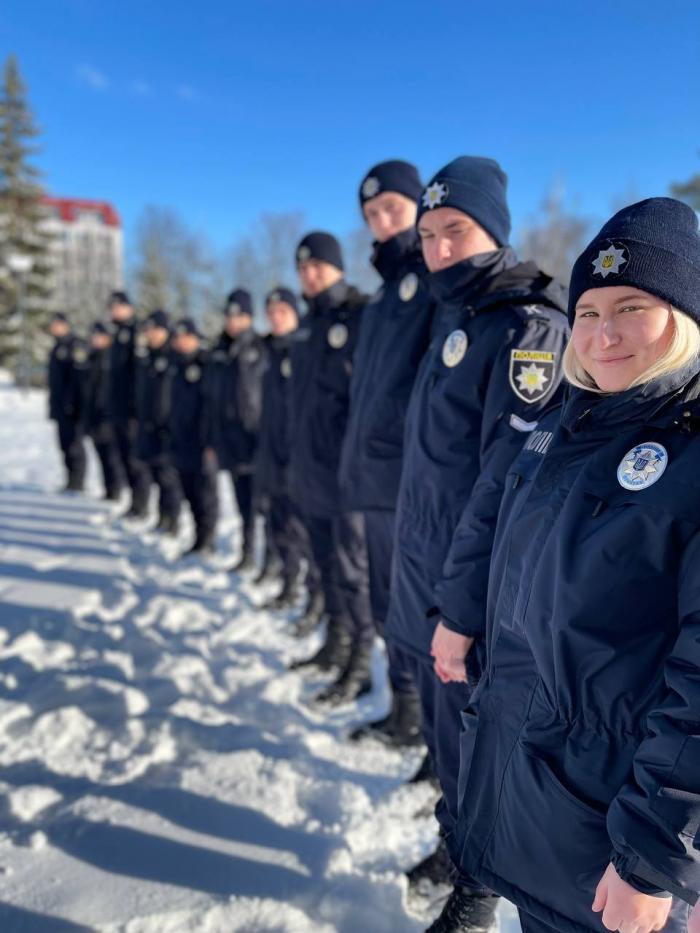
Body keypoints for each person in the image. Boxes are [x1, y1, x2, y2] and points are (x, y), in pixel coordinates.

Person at [451, 198, 700, 933]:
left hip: (621, 839)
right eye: (587, 312)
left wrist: (653, 856)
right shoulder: (564, 431)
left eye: (632, 307)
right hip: (538, 800)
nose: (602, 334)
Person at [383, 156, 569, 931]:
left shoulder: (527, 328)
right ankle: (455, 847)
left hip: (473, 591)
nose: (437, 248)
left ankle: (477, 889)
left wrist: (460, 609)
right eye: (427, 235)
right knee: (443, 732)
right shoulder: (457, 317)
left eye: (454, 230)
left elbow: (506, 489)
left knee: (477, 746)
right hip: (426, 569)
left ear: (494, 229)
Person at [338, 159, 435, 747]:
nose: (381, 222)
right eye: (372, 214)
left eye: (392, 209)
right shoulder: (379, 301)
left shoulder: (432, 282)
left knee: (416, 609)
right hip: (372, 478)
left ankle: (428, 723)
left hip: (409, 481)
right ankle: (404, 709)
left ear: (420, 207)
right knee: (387, 605)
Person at [288, 232, 373, 705]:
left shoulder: (359, 315)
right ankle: (335, 645)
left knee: (351, 572)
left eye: (318, 266)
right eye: (303, 269)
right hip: (310, 471)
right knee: (324, 566)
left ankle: (360, 661)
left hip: (346, 474)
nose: (310, 275)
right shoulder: (306, 326)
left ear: (338, 268)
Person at [255, 287, 322, 613]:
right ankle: (289, 584)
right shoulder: (268, 353)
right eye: (271, 313)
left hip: (301, 459)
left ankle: (316, 598)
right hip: (272, 455)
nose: (276, 318)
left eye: (283, 312)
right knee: (280, 530)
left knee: (307, 536)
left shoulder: (305, 349)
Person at [209, 289, 267, 573]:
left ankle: (273, 560)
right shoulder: (219, 351)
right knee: (242, 503)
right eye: (229, 316)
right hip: (230, 438)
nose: (233, 322)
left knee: (264, 506)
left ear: (249, 317)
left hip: (256, 437)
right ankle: (247, 551)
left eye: (239, 316)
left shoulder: (260, 347)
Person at [170, 319, 218, 556]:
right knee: (188, 489)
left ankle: (208, 538)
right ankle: (199, 536)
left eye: (185, 337)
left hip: (202, 439)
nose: (181, 342)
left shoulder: (206, 363)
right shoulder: (176, 364)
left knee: (205, 492)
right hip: (181, 436)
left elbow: (213, 404)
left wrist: (211, 439)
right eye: (178, 338)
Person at [135, 310, 182, 535]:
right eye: (148, 330)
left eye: (156, 330)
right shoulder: (147, 357)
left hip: (168, 427)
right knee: (155, 473)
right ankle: (163, 515)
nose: (151, 334)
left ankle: (173, 519)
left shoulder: (173, 356)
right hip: (148, 424)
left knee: (168, 477)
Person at [107, 290, 152, 518]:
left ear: (129, 308)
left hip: (132, 409)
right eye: (112, 307)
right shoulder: (117, 334)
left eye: (119, 307)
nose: (114, 311)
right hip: (118, 406)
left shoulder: (136, 332)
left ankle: (141, 504)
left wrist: (137, 409)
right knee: (123, 456)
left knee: (136, 460)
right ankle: (134, 501)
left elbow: (139, 375)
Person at [83, 322, 125, 500]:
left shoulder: (112, 358)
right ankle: (109, 487)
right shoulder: (91, 357)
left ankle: (116, 489)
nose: (96, 339)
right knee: (101, 453)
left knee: (111, 455)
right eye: (94, 336)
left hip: (108, 414)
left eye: (100, 336)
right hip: (93, 412)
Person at [47, 312, 88, 492]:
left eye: (58, 324)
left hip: (73, 407)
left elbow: (78, 378)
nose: (54, 328)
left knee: (74, 446)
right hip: (59, 406)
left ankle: (78, 482)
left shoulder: (75, 346)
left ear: (66, 325)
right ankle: (70, 480)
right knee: (64, 444)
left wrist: (73, 402)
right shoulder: (57, 347)